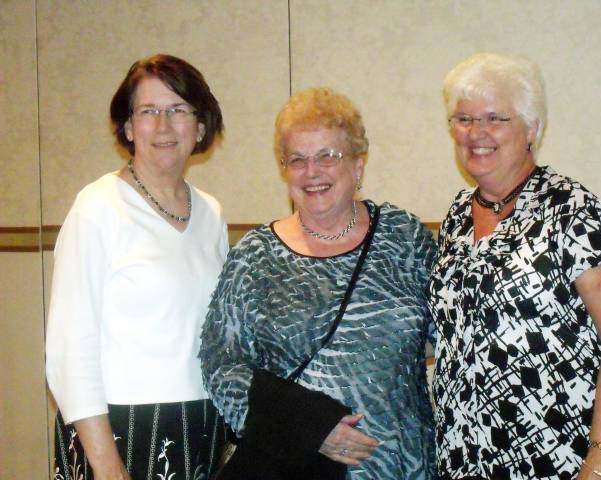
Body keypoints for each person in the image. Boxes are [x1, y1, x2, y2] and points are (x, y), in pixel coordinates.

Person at [199, 87, 438, 479]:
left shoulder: (403, 237)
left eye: (328, 156)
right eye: (298, 159)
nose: (312, 172)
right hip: (298, 467)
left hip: (403, 465)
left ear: (358, 164)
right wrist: (307, 428)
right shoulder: (255, 256)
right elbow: (220, 362)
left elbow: (451, 333)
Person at [428, 52, 601, 480]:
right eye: (464, 119)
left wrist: (600, 462)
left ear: (532, 129)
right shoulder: (457, 216)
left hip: (566, 461)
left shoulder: (575, 212)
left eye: (494, 118)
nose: (476, 133)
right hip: (469, 460)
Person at [46, 54, 229, 480]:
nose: (163, 126)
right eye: (148, 111)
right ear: (128, 127)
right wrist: (107, 468)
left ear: (200, 126)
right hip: (115, 432)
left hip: (201, 426)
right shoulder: (98, 207)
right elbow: (70, 350)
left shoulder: (211, 214)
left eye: (178, 109)